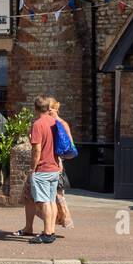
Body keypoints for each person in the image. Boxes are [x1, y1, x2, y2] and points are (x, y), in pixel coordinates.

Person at [20, 95, 60, 244]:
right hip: (54, 168)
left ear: (35, 108)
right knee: (51, 201)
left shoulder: (38, 124)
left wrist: (33, 168)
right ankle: (51, 231)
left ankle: (47, 234)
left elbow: (36, 150)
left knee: (43, 202)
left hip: (43, 168)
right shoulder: (54, 122)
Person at [50, 98, 75, 230]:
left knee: (57, 196)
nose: (48, 111)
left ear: (56, 109)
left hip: (57, 163)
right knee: (52, 197)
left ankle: (63, 220)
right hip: (49, 163)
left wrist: (60, 158)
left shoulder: (62, 123)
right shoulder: (48, 123)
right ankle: (51, 226)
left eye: (51, 109)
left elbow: (70, 145)